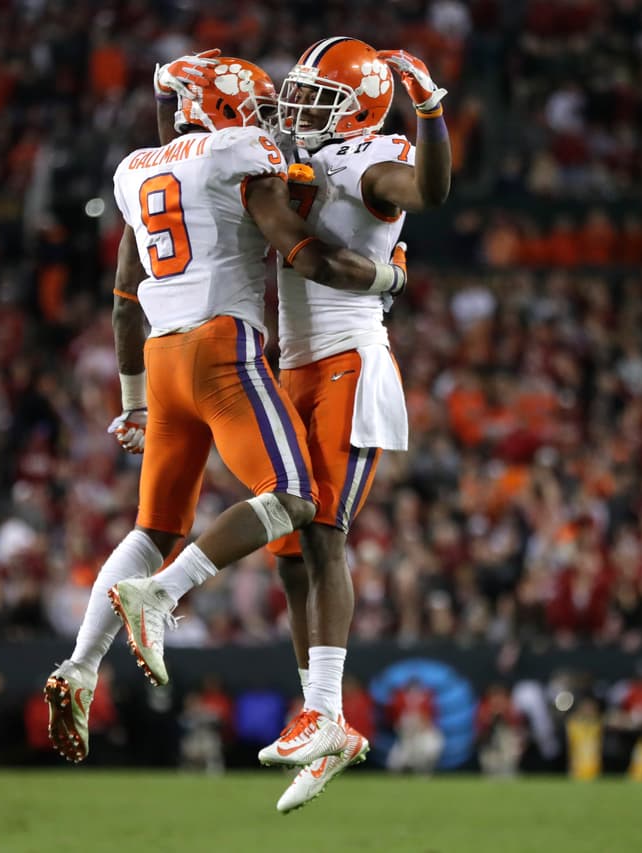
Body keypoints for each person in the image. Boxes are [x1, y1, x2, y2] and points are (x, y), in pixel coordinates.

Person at [44, 52, 409, 765]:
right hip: (222, 348)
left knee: (152, 525)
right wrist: (385, 271)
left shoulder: (134, 170)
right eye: (253, 106)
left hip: (160, 357)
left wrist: (131, 401)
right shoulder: (237, 150)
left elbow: (123, 297)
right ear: (221, 109)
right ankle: (163, 596)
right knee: (298, 496)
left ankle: (82, 663)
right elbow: (301, 245)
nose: (266, 118)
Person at [264, 37, 452, 812]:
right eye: (300, 94)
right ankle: (318, 713)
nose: (301, 110)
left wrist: (432, 111)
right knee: (287, 551)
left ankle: (332, 711)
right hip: (292, 362)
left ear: (362, 109)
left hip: (348, 357)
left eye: (320, 99)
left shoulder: (376, 156)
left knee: (324, 531)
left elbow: (430, 194)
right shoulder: (296, 153)